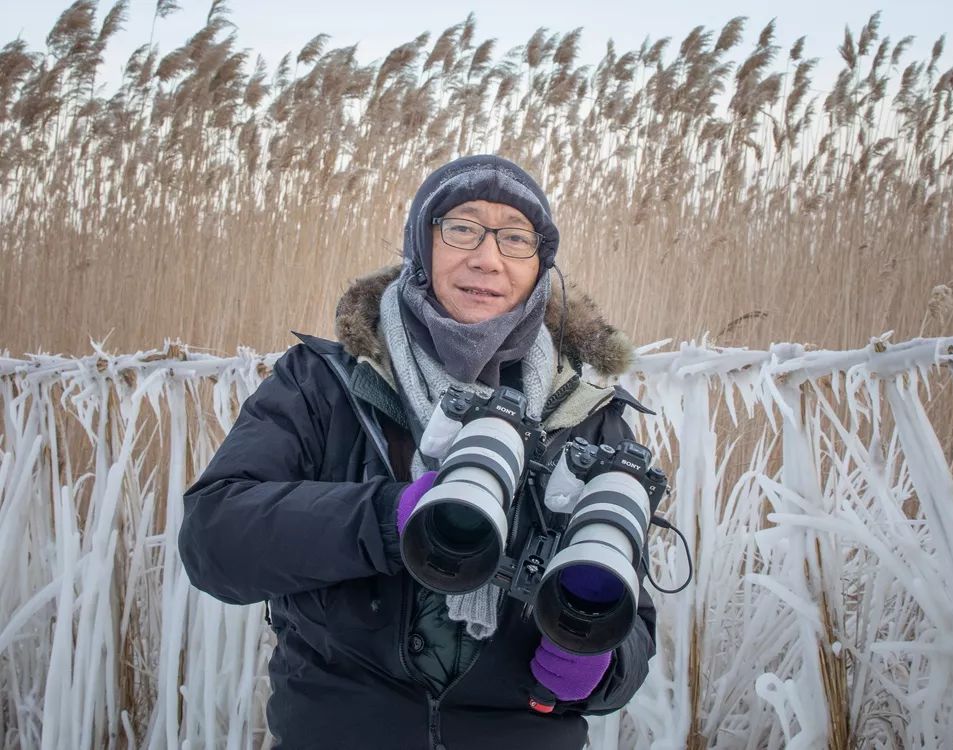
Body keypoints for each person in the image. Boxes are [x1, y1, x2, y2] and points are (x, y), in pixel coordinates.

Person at [179, 154, 658, 750]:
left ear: (540, 265)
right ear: (420, 242)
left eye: (515, 238)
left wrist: (596, 658)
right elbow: (213, 541)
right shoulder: (328, 382)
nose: (487, 258)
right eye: (461, 227)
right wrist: (392, 518)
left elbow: (633, 623)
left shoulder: (588, 411)